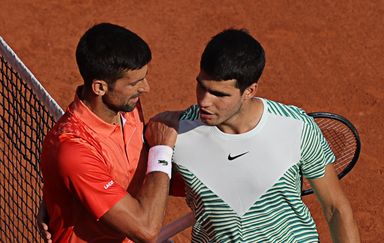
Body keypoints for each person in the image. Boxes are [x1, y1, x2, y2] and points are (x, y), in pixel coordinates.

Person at [167, 28, 360, 242]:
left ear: (249, 91)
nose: (204, 101)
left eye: (219, 94)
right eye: (201, 86)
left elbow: (335, 207)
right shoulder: (175, 132)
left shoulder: (296, 127)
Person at [38, 22, 177, 243]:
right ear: (100, 88)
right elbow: (146, 229)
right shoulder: (74, 149)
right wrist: (162, 150)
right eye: (135, 83)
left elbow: (135, 170)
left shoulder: (126, 107)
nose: (146, 88)